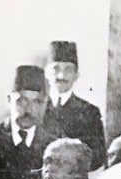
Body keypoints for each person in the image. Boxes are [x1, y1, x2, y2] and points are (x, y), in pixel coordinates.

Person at [0, 65, 66, 179]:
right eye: (22, 100)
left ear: (46, 104)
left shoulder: (55, 144)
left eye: (37, 101)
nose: (29, 109)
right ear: (9, 101)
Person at [44, 41, 106, 170]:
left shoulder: (90, 112)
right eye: (56, 69)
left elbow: (98, 158)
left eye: (68, 69)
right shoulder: (36, 108)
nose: (61, 76)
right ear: (46, 73)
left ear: (77, 75)